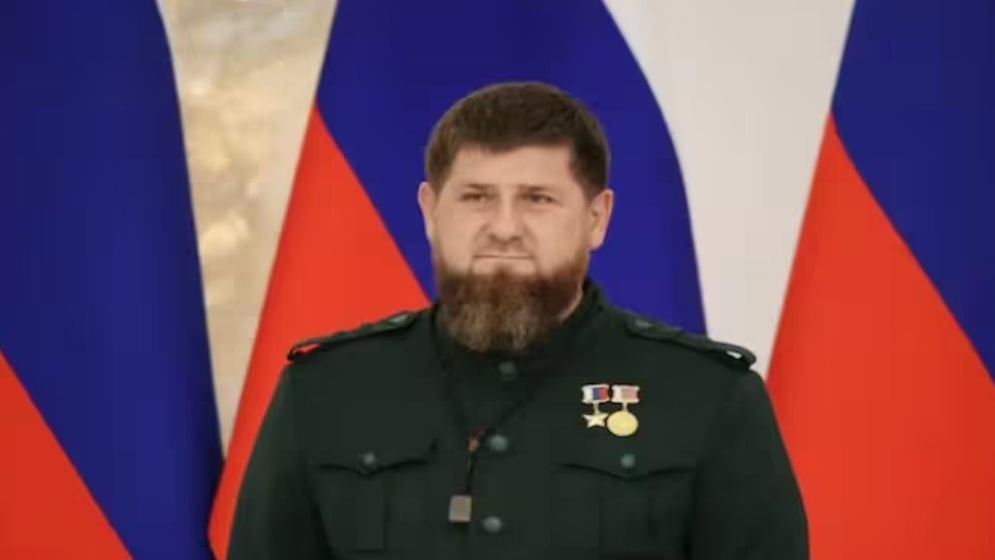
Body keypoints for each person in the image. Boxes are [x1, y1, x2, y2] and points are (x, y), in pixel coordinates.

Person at [228, 81, 808, 559]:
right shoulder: (326, 390)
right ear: (430, 211)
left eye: (537, 198)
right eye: (476, 197)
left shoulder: (706, 397)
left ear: (597, 218)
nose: (504, 228)